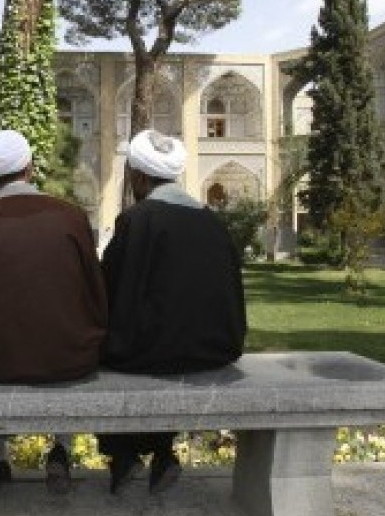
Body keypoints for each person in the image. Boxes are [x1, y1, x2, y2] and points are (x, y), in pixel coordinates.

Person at [0, 129, 108, 494]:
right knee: (61, 338)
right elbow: (93, 289)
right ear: (30, 168)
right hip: (70, 357)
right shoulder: (70, 216)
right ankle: (61, 452)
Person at [99, 129, 247, 495]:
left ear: (139, 176)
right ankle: (163, 452)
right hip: (217, 349)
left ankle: (123, 454)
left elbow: (111, 289)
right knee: (161, 349)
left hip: (154, 351)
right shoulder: (212, 222)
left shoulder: (139, 219)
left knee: (112, 354)